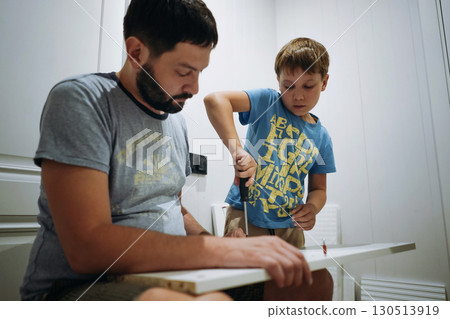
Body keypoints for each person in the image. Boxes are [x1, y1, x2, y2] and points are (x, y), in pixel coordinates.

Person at [20, 0, 313, 301]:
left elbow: (173, 207)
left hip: (169, 275)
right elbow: (87, 248)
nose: (196, 87)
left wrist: (218, 243)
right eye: (185, 71)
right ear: (136, 53)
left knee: (309, 282)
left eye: (200, 71)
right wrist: (218, 250)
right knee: (212, 305)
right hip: (80, 287)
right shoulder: (82, 101)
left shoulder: (176, 121)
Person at [204, 37, 336, 300]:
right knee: (242, 291)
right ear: (278, 82)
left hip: (290, 228)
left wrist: (312, 208)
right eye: (288, 86)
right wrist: (237, 150)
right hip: (247, 217)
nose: (297, 95)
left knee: (291, 293)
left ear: (324, 82)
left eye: (308, 86)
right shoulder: (267, 102)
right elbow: (215, 100)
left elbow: (318, 189)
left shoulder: (321, 137)